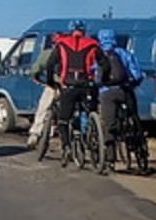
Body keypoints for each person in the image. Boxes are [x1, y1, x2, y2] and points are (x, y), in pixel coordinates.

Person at [42, 21, 103, 162]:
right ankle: (90, 135)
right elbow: (104, 64)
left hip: (68, 86)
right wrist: (102, 80)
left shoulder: (62, 44)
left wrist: (50, 81)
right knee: (89, 111)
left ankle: (66, 146)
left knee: (63, 120)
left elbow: (50, 64)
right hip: (86, 85)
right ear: (84, 30)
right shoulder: (92, 44)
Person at [95, 28, 143, 169]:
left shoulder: (98, 56)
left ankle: (110, 157)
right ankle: (138, 145)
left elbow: (94, 74)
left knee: (109, 124)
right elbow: (137, 74)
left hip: (107, 93)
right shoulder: (124, 53)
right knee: (134, 117)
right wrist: (133, 84)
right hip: (125, 91)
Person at [26, 40, 58, 150]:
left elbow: (35, 69)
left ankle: (35, 134)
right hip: (72, 86)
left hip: (54, 86)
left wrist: (37, 78)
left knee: (43, 108)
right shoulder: (72, 52)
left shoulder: (47, 53)